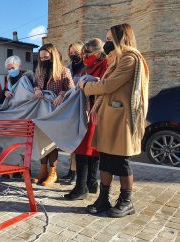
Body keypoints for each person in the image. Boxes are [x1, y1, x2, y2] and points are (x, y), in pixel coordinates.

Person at [78, 23, 149, 217]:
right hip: (110, 118)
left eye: (109, 39)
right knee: (106, 162)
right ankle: (103, 200)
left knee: (121, 162)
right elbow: (106, 85)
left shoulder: (130, 59)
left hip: (122, 120)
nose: (106, 42)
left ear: (121, 38)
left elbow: (108, 86)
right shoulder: (117, 59)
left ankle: (126, 202)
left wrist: (86, 86)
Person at [64, 38, 108, 200]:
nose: (84, 57)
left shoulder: (105, 65)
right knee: (87, 149)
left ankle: (82, 187)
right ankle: (90, 183)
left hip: (95, 110)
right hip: (85, 110)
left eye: (86, 53)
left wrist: (87, 83)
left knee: (86, 149)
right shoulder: (89, 66)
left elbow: (104, 85)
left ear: (98, 52)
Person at [33, 43, 75, 186]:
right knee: (42, 143)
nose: (43, 60)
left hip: (56, 113)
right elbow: (35, 84)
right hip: (41, 113)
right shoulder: (40, 71)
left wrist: (62, 94)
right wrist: (36, 89)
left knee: (52, 143)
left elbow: (72, 91)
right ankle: (43, 170)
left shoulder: (64, 71)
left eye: (46, 57)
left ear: (53, 56)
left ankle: (53, 173)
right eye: (41, 58)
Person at [62, 41, 85, 183]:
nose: (73, 55)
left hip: (82, 107)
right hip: (71, 108)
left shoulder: (87, 68)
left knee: (79, 143)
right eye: (71, 53)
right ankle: (71, 171)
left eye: (76, 52)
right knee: (71, 143)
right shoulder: (68, 68)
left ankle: (76, 173)